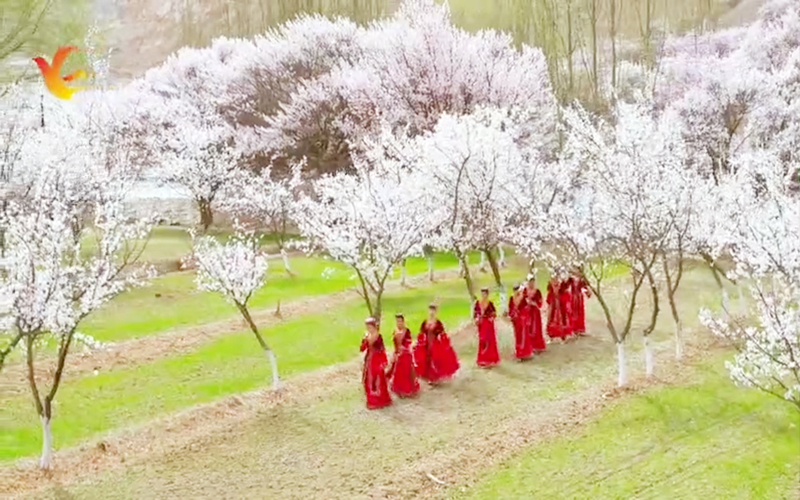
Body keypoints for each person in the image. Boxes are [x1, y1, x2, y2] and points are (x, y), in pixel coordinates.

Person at [413, 304, 460, 384]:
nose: (431, 312)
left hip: (434, 343)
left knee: (434, 359)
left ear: (436, 312)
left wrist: (443, 341)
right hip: (426, 343)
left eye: (433, 311)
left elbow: (442, 333)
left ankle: (434, 377)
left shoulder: (438, 323)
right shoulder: (425, 322)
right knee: (426, 359)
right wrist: (420, 342)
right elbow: (421, 332)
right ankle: (428, 376)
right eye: (430, 310)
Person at [360, 317, 392, 410]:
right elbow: (362, 348)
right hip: (369, 359)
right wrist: (364, 340)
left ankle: (380, 400)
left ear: (374, 327)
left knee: (377, 379)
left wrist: (383, 361)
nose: (369, 329)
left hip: (376, 360)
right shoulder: (367, 336)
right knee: (368, 379)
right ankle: (371, 399)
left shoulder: (378, 337)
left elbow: (382, 350)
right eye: (367, 327)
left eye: (370, 327)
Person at [387, 313, 421, 397]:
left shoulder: (406, 331)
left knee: (405, 371)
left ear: (403, 322)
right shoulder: (395, 331)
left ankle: (406, 390)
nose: (399, 323)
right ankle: (398, 388)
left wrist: (404, 349)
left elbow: (408, 342)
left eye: (400, 321)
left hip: (405, 354)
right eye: (397, 321)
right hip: (397, 353)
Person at [473, 287, 500, 367]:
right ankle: (482, 358)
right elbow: (475, 313)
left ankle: (490, 358)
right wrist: (476, 318)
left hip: (488, 325)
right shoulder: (478, 303)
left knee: (489, 340)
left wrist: (491, 318)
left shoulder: (490, 303)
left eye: (485, 294)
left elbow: (494, 313)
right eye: (482, 294)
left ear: (487, 294)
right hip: (481, 324)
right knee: (482, 340)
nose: (483, 295)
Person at [508, 284, 533, 360]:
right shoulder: (512, 298)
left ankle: (526, 352)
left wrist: (524, 315)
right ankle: (519, 351)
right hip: (516, 320)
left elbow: (527, 307)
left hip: (523, 319)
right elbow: (510, 307)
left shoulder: (523, 297)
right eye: (515, 290)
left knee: (524, 335)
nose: (516, 292)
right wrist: (512, 315)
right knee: (517, 335)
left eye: (517, 290)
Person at [523, 274, 547, 353]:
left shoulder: (537, 291)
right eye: (530, 282)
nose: (531, 283)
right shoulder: (525, 291)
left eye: (532, 282)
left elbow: (540, 302)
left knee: (535, 328)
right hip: (527, 312)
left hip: (535, 313)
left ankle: (537, 345)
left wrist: (534, 303)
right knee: (528, 328)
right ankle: (529, 345)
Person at [546, 275, 567, 342]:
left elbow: (564, 290)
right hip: (553, 304)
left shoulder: (561, 283)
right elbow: (549, 291)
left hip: (560, 304)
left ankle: (562, 337)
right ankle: (551, 337)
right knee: (551, 319)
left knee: (562, 320)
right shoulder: (550, 284)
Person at [570, 271, 591, 335]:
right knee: (573, 312)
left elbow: (585, 286)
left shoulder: (582, 279)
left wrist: (587, 292)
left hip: (579, 297)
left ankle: (579, 328)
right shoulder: (570, 278)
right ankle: (573, 328)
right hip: (572, 297)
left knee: (580, 312)